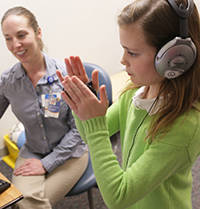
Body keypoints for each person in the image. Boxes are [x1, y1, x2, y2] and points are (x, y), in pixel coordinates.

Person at [57, 0, 200, 208]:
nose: (122, 60)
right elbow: (92, 136)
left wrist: (93, 121)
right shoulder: (136, 92)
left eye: (132, 52)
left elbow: (118, 197)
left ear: (174, 58)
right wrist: (82, 106)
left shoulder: (185, 125)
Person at [0, 6, 88, 209]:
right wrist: (39, 160)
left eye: (21, 35)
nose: (16, 45)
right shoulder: (7, 81)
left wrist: (46, 163)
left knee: (24, 204)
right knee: (17, 201)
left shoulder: (64, 75)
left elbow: (79, 130)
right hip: (33, 151)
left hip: (71, 153)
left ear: (38, 33)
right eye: (8, 38)